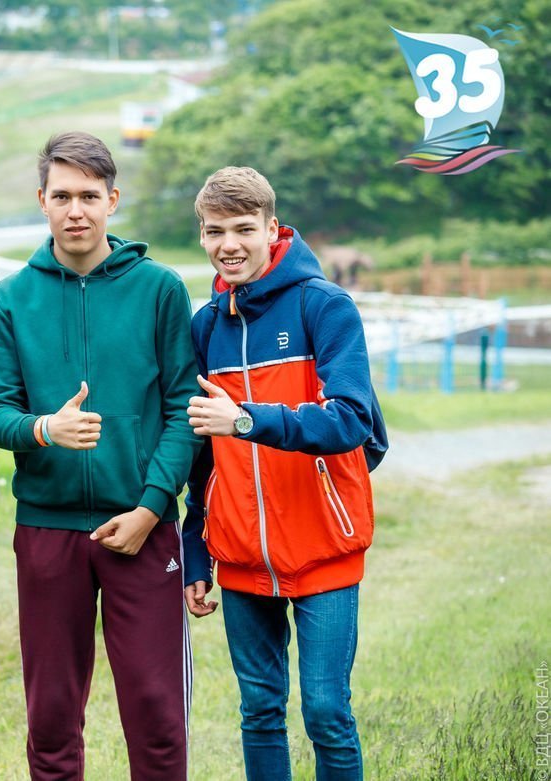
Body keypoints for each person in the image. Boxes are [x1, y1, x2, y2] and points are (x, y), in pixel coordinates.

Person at [0, 131, 203, 780]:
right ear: (41, 202)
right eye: (61, 196)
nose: (75, 209)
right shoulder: (9, 299)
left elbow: (183, 410)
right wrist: (45, 428)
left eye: (88, 196)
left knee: (157, 711)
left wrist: (151, 507)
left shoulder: (160, 290)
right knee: (50, 716)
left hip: (142, 528)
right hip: (47, 531)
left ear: (113, 200)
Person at [181, 166, 388, 781]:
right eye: (215, 231)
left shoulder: (324, 306)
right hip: (242, 554)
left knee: (326, 710)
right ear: (201, 237)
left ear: (274, 229)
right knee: (260, 710)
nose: (229, 244)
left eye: (244, 228)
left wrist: (247, 420)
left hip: (325, 546)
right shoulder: (206, 326)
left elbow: (351, 419)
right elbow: (200, 453)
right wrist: (196, 552)